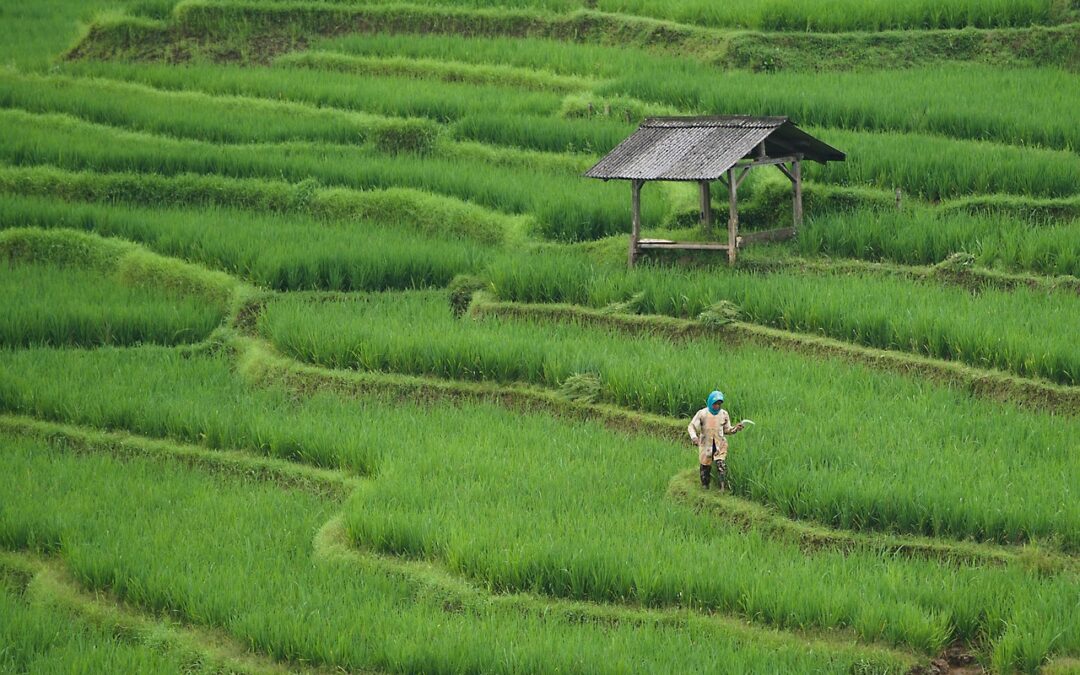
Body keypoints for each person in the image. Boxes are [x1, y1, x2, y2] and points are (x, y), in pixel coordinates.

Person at [688, 390, 744, 490]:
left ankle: (722, 488)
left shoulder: (724, 414)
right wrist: (694, 437)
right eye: (715, 404)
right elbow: (691, 426)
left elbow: (727, 430)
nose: (717, 406)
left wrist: (736, 428)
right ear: (710, 403)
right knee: (705, 467)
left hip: (720, 444)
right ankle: (705, 487)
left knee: (721, 465)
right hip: (706, 444)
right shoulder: (702, 414)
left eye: (719, 404)